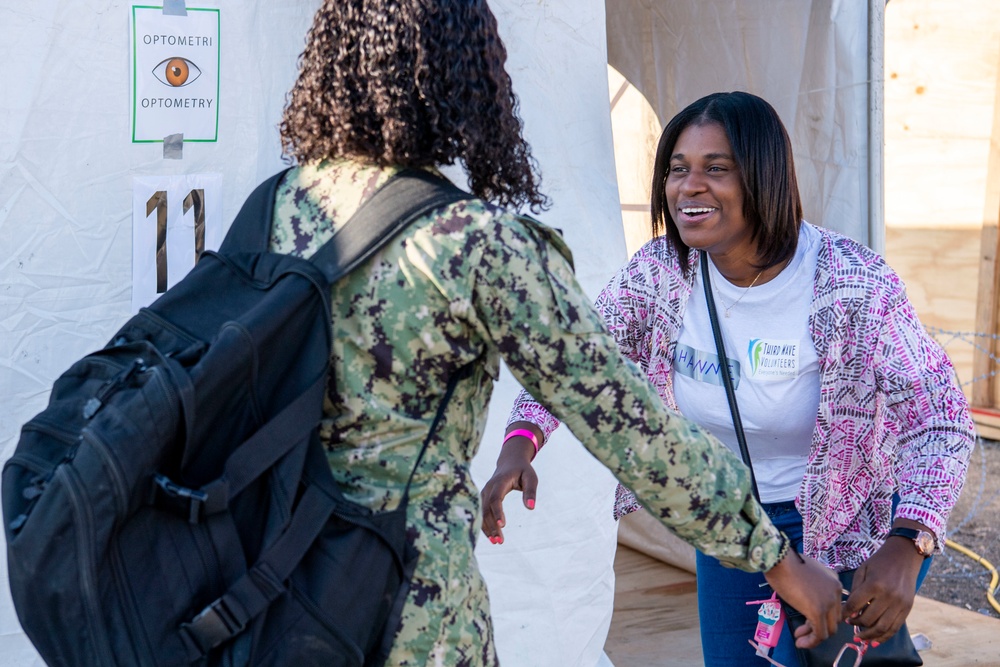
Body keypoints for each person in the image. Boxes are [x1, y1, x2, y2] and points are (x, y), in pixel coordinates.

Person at [274, 6, 843, 665]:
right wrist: (772, 555)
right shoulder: (478, 243)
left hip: (285, 570)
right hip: (409, 597)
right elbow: (627, 420)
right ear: (468, 75)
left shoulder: (281, 207)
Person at [481, 90, 976, 665]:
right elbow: (577, 360)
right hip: (730, 524)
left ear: (764, 177)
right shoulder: (660, 273)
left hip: (850, 529)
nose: (689, 186)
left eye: (715, 169)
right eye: (677, 169)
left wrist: (908, 543)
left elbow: (938, 418)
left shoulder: (851, 281)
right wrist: (520, 444)